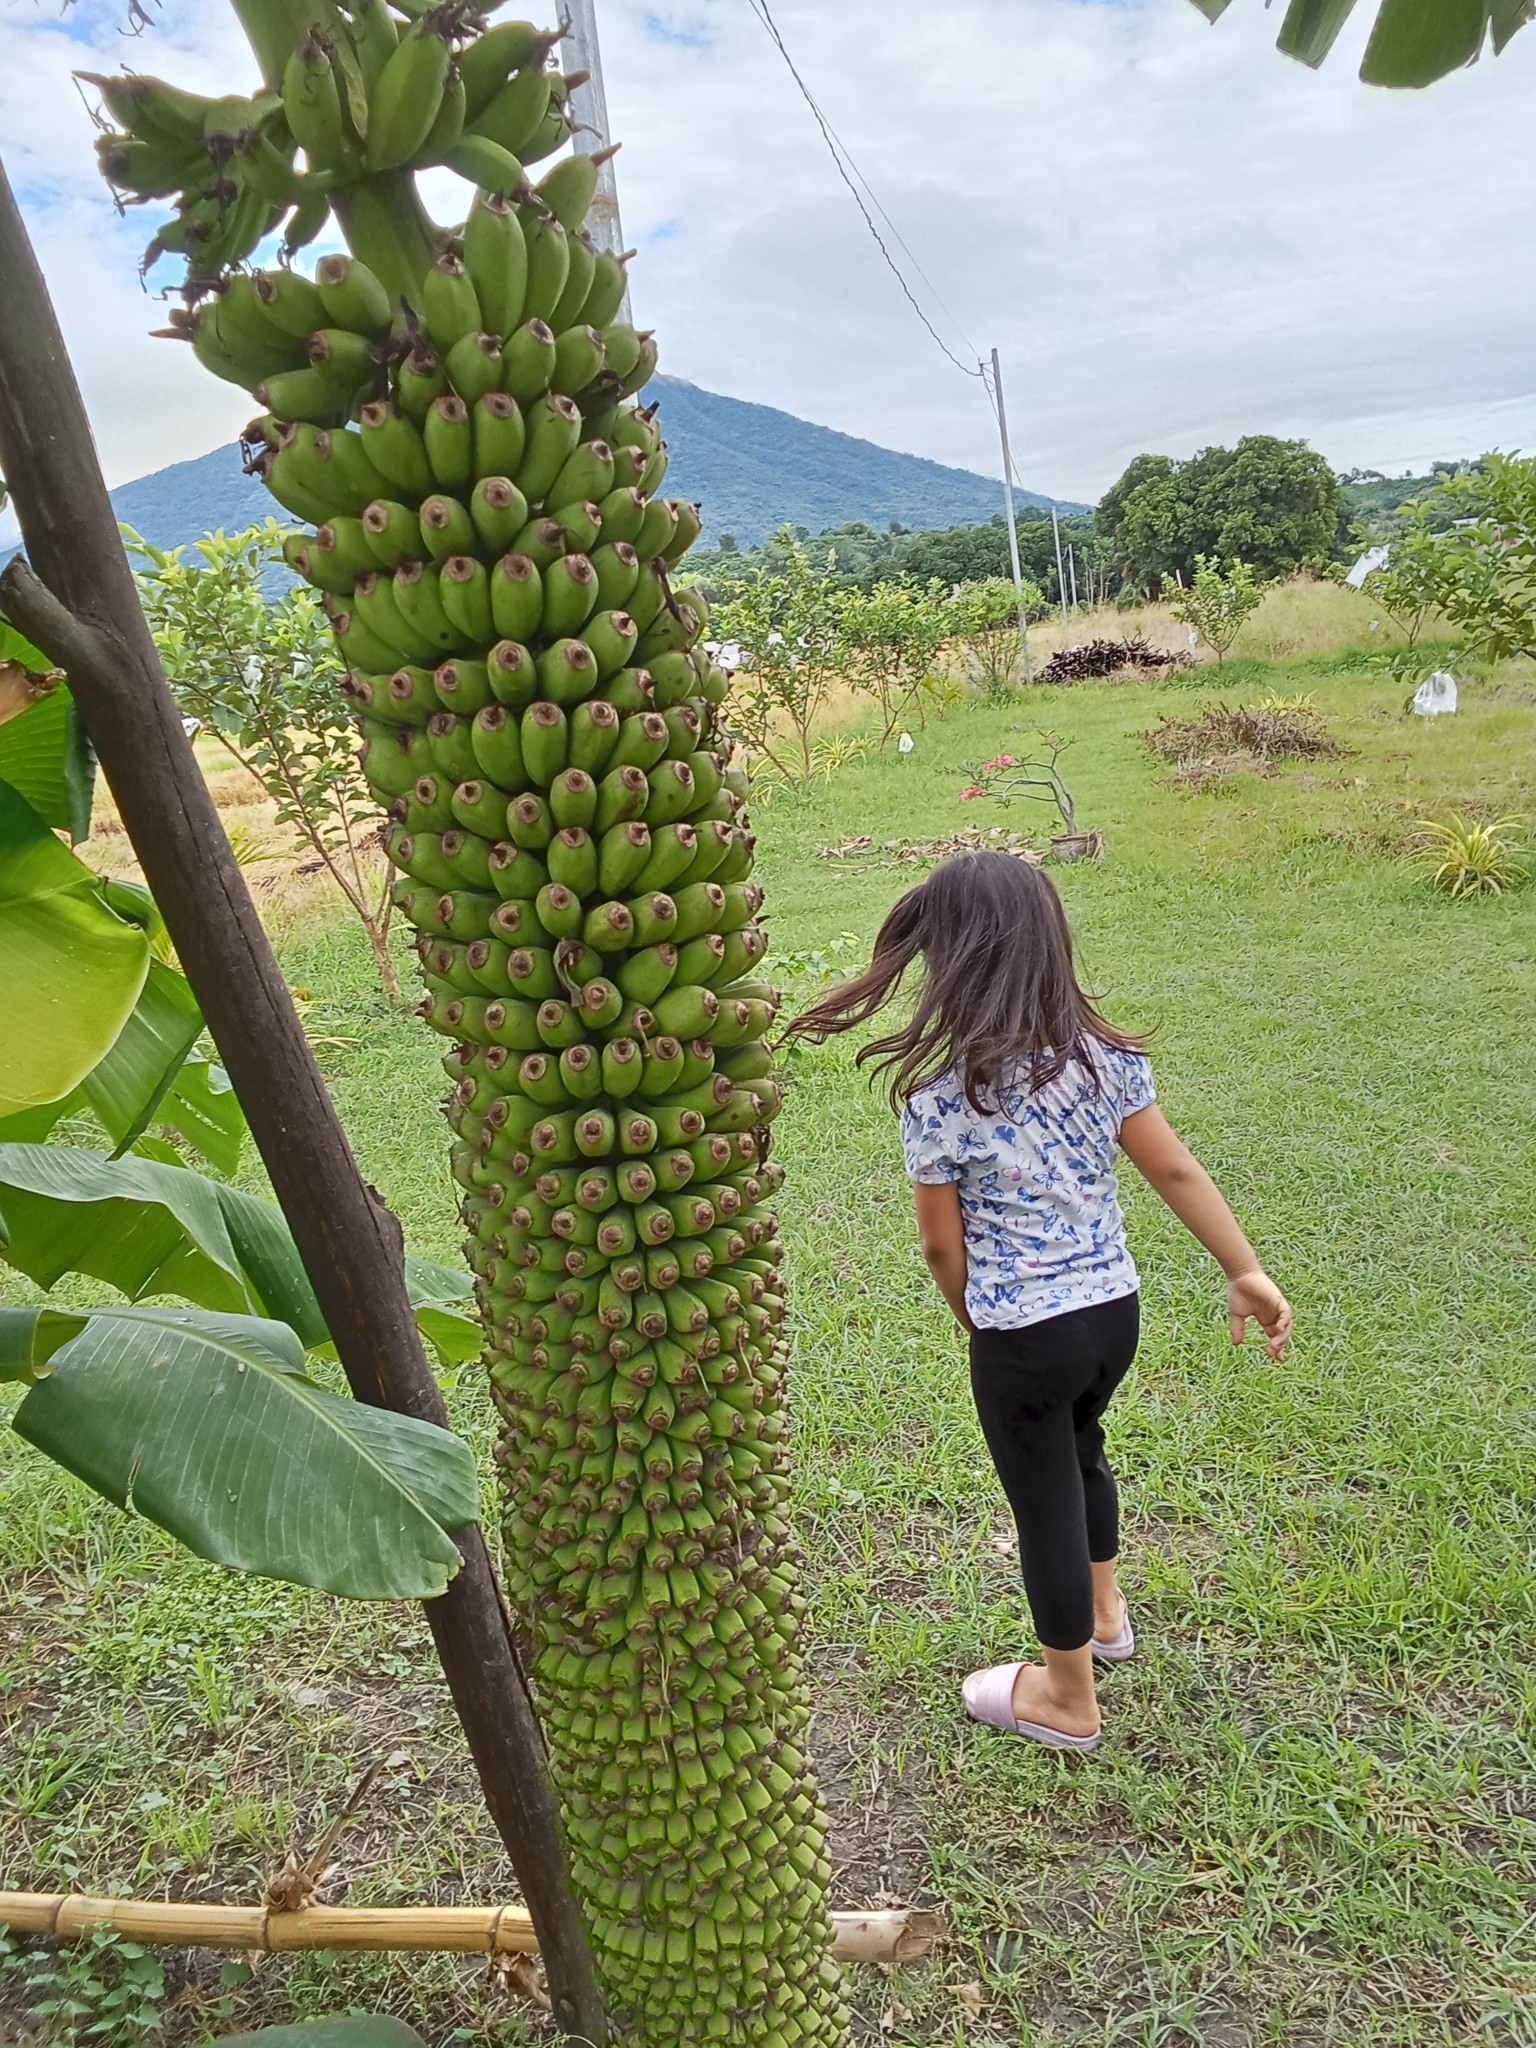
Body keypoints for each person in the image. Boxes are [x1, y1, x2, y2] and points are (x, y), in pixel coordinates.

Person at [787, 852, 1292, 1753]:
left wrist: (970, 1310)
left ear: (948, 964)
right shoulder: (1105, 1061)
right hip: (1113, 1317)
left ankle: (1068, 1699)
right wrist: (1244, 1267)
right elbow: (1174, 1167)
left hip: (1023, 1334)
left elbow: (942, 1244)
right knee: (1085, 1450)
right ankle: (1106, 1615)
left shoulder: (942, 1098)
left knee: (1043, 1502)